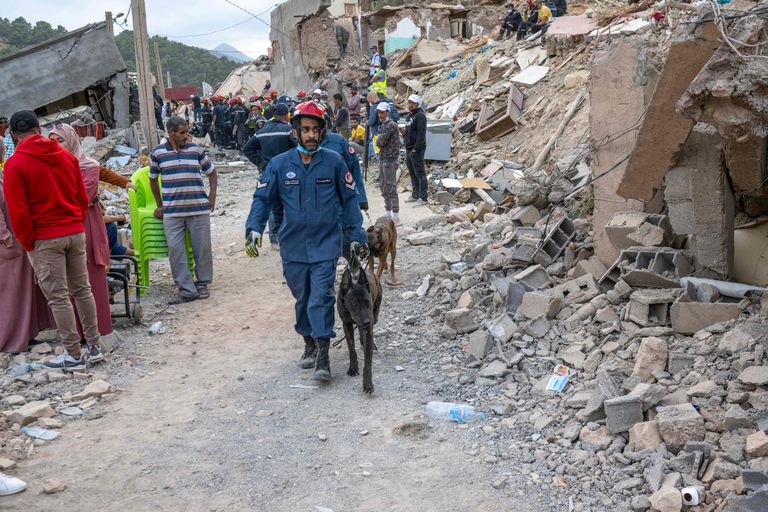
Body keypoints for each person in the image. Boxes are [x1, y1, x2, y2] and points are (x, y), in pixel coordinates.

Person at [245, 101, 368, 382]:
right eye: (305, 130)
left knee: (321, 295)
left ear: (323, 131)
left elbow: (349, 201)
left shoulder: (334, 163)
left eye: (315, 130)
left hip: (326, 242)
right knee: (302, 297)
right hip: (293, 245)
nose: (311, 135)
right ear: (296, 132)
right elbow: (262, 198)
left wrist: (357, 237)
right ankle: (308, 342)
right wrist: (254, 227)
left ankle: (323, 351)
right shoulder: (279, 165)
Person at [3, 111, 103, 370]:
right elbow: (82, 197)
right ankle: (94, 347)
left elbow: (19, 211)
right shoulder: (67, 157)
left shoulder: (15, 164)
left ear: (13, 133)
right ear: (39, 128)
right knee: (82, 290)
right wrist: (75, 222)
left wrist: (28, 243)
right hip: (74, 231)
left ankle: (72, 354)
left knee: (58, 297)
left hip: (44, 238)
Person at [49, 124, 114, 338]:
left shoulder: (89, 166)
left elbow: (82, 200)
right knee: (67, 278)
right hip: (61, 225)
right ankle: (74, 334)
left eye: (60, 140)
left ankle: (99, 329)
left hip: (85, 223)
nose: (54, 146)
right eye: (51, 141)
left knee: (90, 275)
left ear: (73, 141)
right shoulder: (50, 167)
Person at [149, 117, 218, 304]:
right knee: (176, 252)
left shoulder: (196, 150)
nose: (186, 135)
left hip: (198, 209)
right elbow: (153, 179)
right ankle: (187, 290)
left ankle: (202, 283)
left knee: (202, 249)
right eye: (181, 132)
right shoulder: (158, 153)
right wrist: (159, 205)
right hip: (172, 212)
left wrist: (212, 196)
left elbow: (211, 172)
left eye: (186, 131)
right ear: (170, 133)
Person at [0, 152, 54, 354]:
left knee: (22, 292)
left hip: (16, 241)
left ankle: (24, 335)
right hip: (7, 244)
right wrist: (6, 237)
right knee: (10, 294)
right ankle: (9, 340)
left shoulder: (2, 171)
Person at [242, 103, 296, 247]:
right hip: (288, 174)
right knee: (290, 204)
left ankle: (274, 240)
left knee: (273, 206)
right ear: (286, 115)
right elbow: (299, 148)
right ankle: (288, 237)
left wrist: (261, 163)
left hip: (268, 173)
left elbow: (247, 149)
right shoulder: (288, 130)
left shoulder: (261, 131)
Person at [374, 102, 402, 224]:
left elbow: (380, 142)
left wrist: (379, 139)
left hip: (390, 160)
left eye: (382, 112)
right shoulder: (384, 125)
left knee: (390, 186)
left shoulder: (390, 125)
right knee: (384, 185)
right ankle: (388, 212)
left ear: (387, 112)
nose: (380, 114)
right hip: (384, 159)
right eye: (379, 112)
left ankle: (395, 215)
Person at [403, 94, 428, 206]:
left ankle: (423, 198)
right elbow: (410, 132)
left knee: (420, 173)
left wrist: (415, 149)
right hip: (409, 148)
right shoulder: (409, 117)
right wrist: (404, 134)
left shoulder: (420, 116)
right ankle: (415, 194)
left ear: (417, 104)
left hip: (416, 149)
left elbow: (421, 135)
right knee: (412, 173)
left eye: (412, 103)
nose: (410, 105)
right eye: (409, 102)